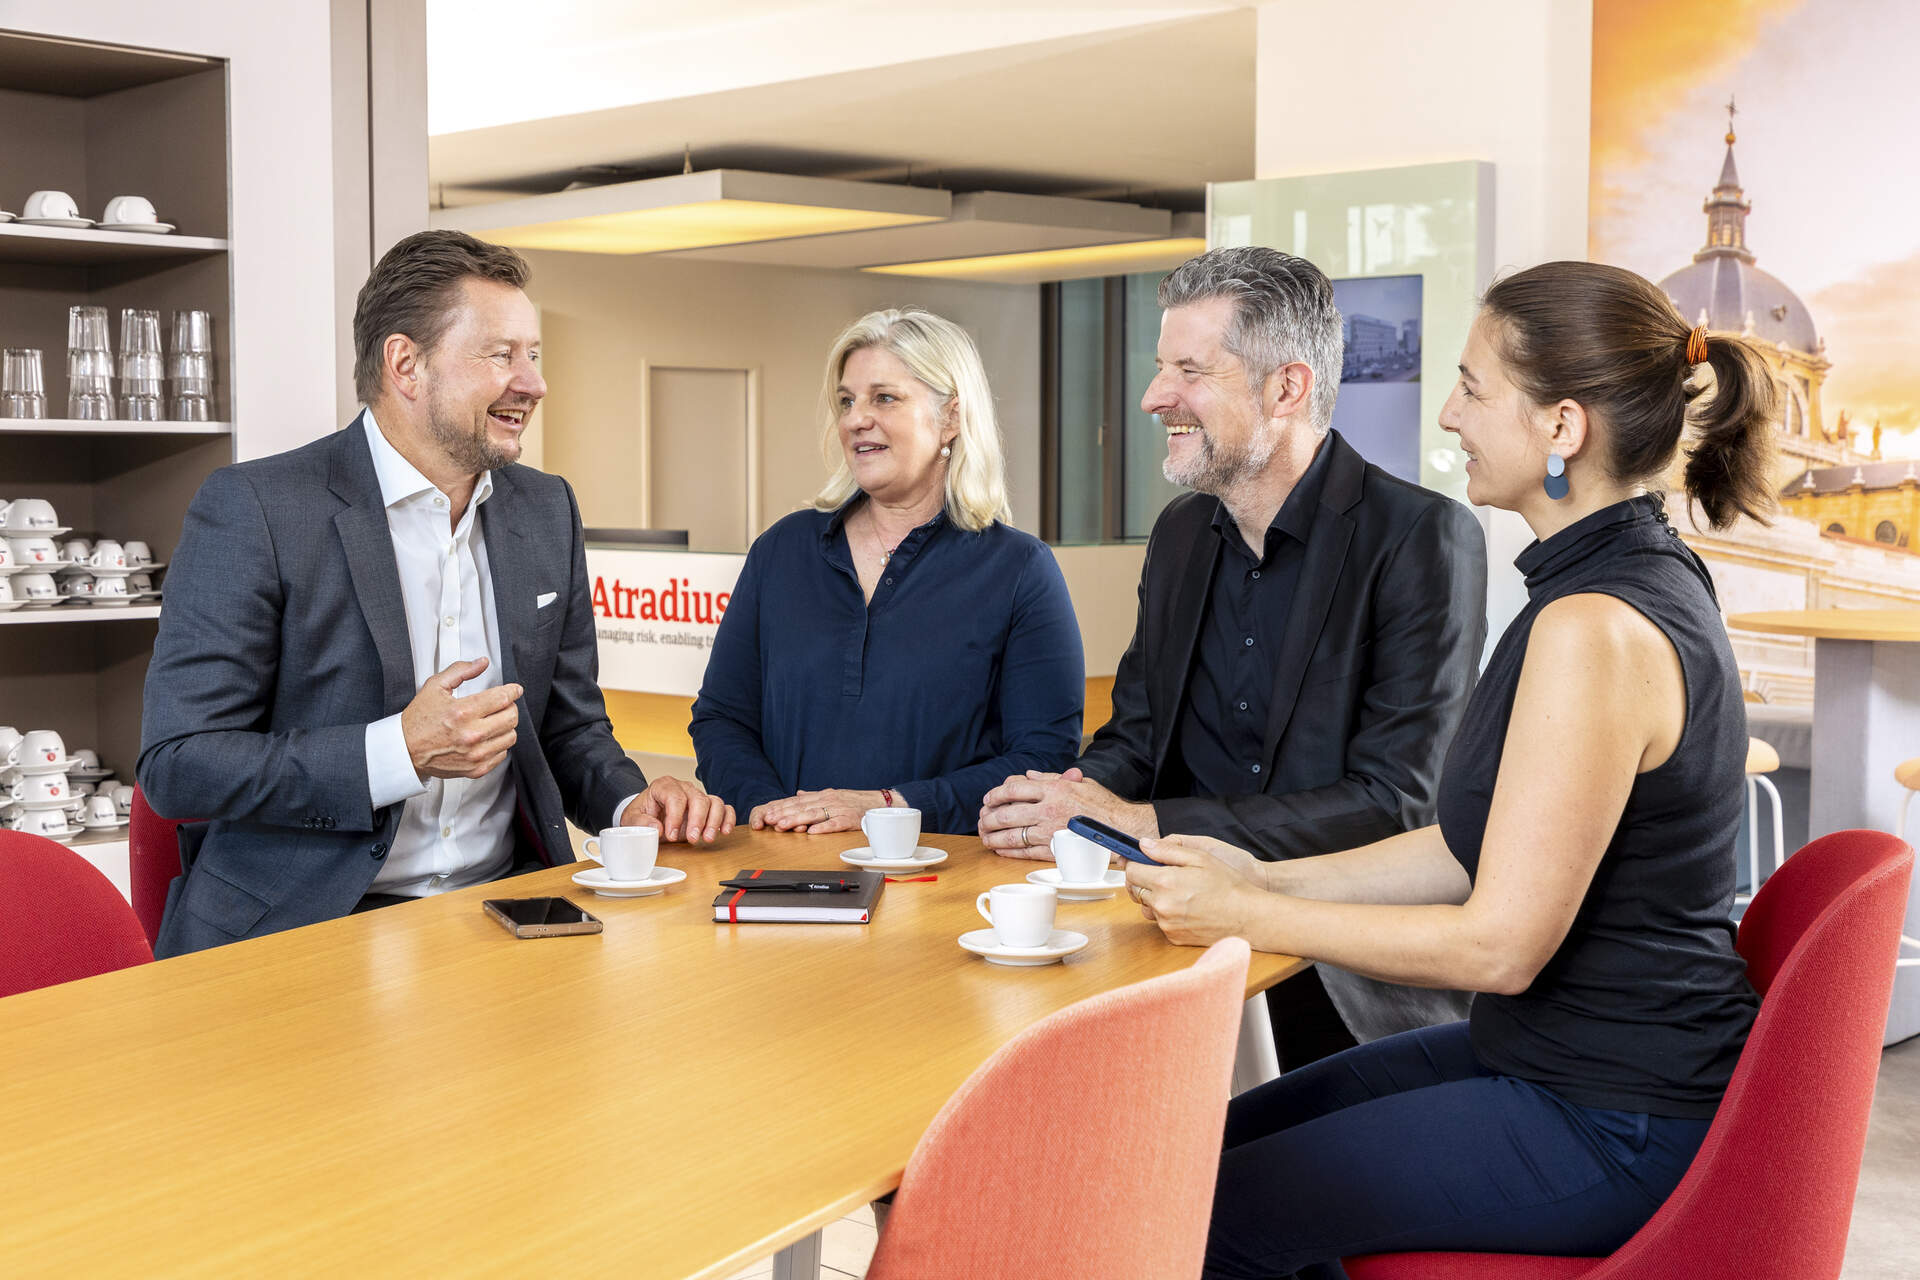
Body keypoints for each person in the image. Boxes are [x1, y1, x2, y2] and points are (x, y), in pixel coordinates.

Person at [1122, 260, 1772, 1276]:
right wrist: (1262, 876)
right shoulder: (1606, 582)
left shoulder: (1595, 627)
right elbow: (1470, 846)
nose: (1448, 415)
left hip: (1612, 1109)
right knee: (1195, 1154)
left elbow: (1499, 947)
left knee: (1194, 1216)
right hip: (1552, 1055)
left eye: (1473, 387)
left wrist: (1247, 915)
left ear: (1562, 428)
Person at [140, 230, 731, 957]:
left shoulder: (547, 509)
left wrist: (628, 800)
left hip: (508, 913)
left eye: (534, 355)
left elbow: (568, 727)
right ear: (405, 365)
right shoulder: (255, 509)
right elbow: (181, 764)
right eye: (501, 355)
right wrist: (398, 751)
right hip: (308, 929)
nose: (534, 383)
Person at [977, 246, 1486, 1063]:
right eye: (1160, 368)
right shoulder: (1180, 533)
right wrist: (1066, 799)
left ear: (1287, 389)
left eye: (1189, 371)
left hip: (1339, 982)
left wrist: (1142, 822)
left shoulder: (1422, 536)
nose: (1154, 398)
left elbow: (1396, 804)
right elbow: (1139, 737)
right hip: (1167, 940)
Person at [690, 308, 1083, 836]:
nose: (856, 419)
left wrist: (891, 808)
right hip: (782, 865)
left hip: (942, 870)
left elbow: (1041, 760)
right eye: (847, 401)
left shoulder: (1019, 569)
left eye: (885, 398)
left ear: (951, 417)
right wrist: (772, 812)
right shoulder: (782, 550)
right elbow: (722, 719)